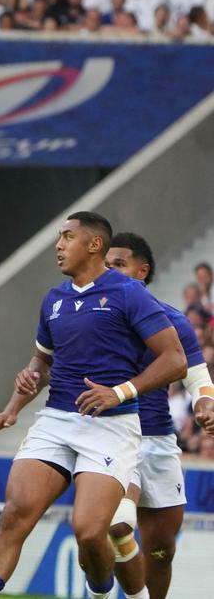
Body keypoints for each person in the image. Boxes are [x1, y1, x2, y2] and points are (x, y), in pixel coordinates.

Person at [0, 212, 187, 599]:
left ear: (94, 245)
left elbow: (175, 360)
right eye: (58, 237)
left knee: (90, 532)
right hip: (55, 420)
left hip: (111, 425)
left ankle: (103, 590)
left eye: (67, 236)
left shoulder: (127, 293)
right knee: (14, 516)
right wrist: (14, 405)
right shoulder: (53, 300)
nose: (58, 245)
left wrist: (119, 392)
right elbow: (42, 362)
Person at [102, 233, 214, 599]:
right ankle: (102, 591)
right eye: (106, 264)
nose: (110, 271)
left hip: (160, 441)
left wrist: (205, 403)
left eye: (118, 264)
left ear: (142, 271)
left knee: (161, 550)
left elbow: (198, 376)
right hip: (114, 437)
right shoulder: (97, 318)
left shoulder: (171, 320)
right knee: (118, 524)